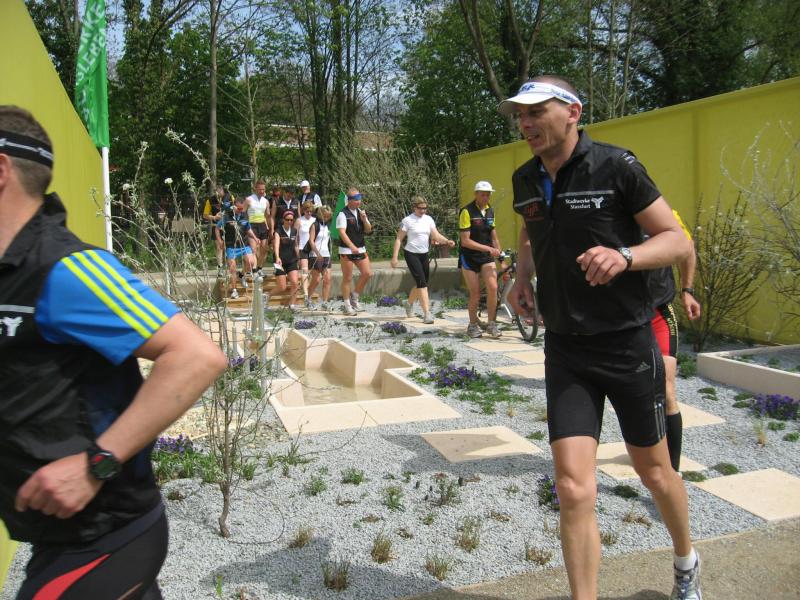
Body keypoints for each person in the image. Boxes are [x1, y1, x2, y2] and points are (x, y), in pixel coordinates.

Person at [0, 106, 227, 599]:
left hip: (105, 536)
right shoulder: (10, 274)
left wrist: (94, 465)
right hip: (56, 535)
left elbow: (197, 356)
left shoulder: (65, 269)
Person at [501, 77, 700, 600]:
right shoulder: (524, 178)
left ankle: (686, 561)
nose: (525, 124)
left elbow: (676, 240)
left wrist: (625, 256)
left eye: (535, 112)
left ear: (572, 112)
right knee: (571, 486)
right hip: (566, 348)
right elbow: (530, 230)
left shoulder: (616, 166)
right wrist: (522, 278)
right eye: (520, 115)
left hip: (626, 344)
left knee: (654, 472)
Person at [649, 210, 702, 471]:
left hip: (658, 312)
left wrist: (687, 290)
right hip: (618, 319)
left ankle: (672, 471)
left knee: (666, 388)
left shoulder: (661, 214)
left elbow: (687, 247)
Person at [391, 196, 455, 324]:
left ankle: (409, 303)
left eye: (425, 208)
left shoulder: (428, 219)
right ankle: (427, 314)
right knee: (422, 284)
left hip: (424, 254)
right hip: (411, 254)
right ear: (414, 208)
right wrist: (395, 257)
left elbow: (436, 235)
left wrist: (447, 241)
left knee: (422, 282)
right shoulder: (407, 220)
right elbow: (399, 239)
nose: (423, 211)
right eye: (420, 208)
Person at [458, 180, 502, 338]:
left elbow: (494, 237)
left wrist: (501, 258)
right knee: (475, 293)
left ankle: (491, 324)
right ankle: (472, 325)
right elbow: (465, 241)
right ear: (475, 194)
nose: (486, 197)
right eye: (483, 195)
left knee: (493, 288)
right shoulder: (466, 211)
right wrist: (489, 249)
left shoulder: (490, 211)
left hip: (486, 257)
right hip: (469, 257)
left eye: (488, 195)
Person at [336, 187, 372, 315]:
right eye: (356, 199)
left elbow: (368, 230)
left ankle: (355, 298)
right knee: (348, 278)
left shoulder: (360, 212)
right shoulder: (342, 214)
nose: (359, 201)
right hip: (346, 250)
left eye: (360, 198)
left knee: (367, 273)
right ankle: (347, 305)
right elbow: (342, 232)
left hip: (361, 248)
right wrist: (351, 246)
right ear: (349, 200)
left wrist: (364, 219)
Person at [221, 196, 257, 299]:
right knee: (232, 268)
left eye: (242, 208)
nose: (241, 210)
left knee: (251, 262)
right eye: (239, 208)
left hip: (243, 244)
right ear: (234, 206)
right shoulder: (227, 215)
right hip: (231, 245)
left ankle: (241, 275)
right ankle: (234, 290)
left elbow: (248, 229)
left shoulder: (244, 215)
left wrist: (255, 237)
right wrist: (220, 240)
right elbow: (218, 228)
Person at [273, 209, 300, 309]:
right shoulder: (278, 231)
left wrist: (299, 258)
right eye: (287, 219)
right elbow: (276, 245)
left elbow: (296, 245)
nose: (289, 222)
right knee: (282, 287)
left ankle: (292, 305)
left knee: (295, 283)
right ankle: (267, 296)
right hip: (280, 261)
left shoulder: (294, 231)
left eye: (291, 220)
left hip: (291, 260)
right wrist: (277, 257)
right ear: (283, 220)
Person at [307, 206, 333, 310]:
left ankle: (325, 302)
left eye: (328, 216)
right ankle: (308, 299)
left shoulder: (328, 226)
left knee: (327, 279)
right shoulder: (315, 225)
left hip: (326, 254)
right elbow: (311, 240)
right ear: (320, 215)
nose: (326, 218)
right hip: (315, 255)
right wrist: (317, 253)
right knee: (316, 280)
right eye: (325, 216)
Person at [245, 179, 272, 272]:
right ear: (255, 189)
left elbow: (268, 216)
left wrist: (270, 229)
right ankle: (255, 271)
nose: (262, 191)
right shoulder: (249, 199)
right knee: (254, 249)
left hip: (262, 225)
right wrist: (244, 225)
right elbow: (242, 213)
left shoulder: (266, 201)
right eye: (260, 189)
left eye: (263, 189)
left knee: (264, 249)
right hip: (252, 225)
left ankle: (259, 268)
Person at [296, 200, 317, 308]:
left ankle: (309, 294)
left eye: (310, 211)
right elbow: (295, 237)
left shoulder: (315, 220)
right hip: (302, 248)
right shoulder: (299, 220)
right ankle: (305, 295)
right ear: (303, 211)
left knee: (313, 273)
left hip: (313, 249)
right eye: (307, 211)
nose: (309, 213)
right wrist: (296, 250)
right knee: (304, 271)